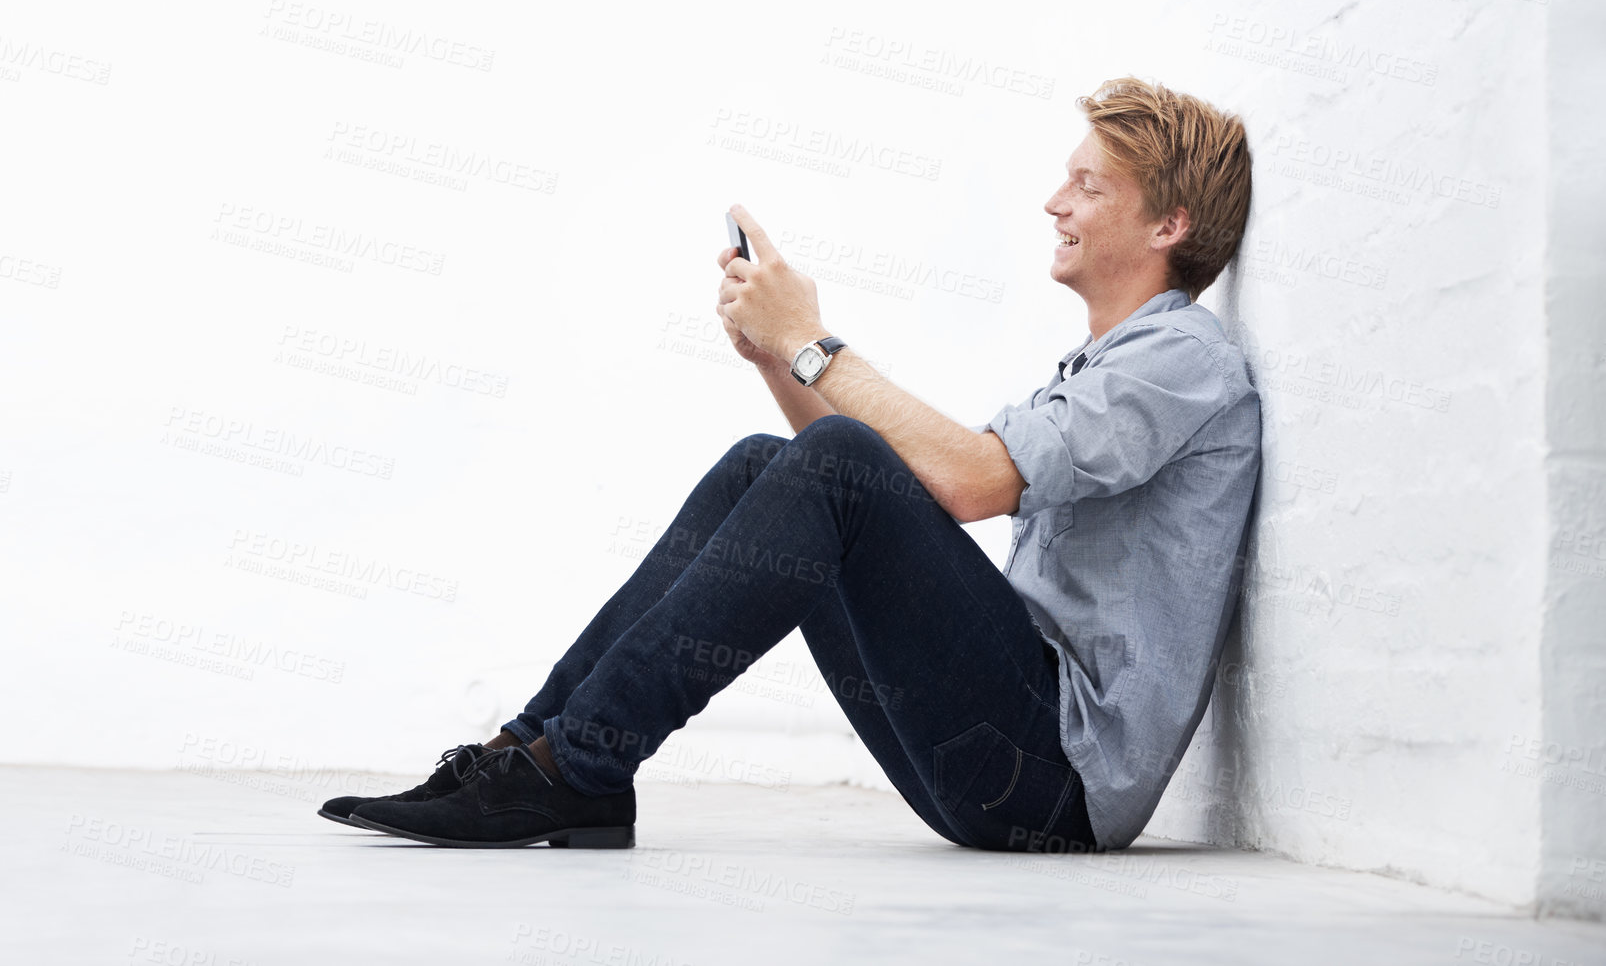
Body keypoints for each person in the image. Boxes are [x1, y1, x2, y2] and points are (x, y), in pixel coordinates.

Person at [318, 76, 1262, 853]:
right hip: (1000, 761)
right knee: (765, 462)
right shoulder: (1107, 366)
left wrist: (812, 341)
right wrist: (781, 359)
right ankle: (540, 755)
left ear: (1168, 224)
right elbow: (882, 479)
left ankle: (575, 767)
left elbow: (969, 482)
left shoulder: (1182, 362)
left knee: (839, 457)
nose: (1056, 202)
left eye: (1089, 186)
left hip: (1050, 784)